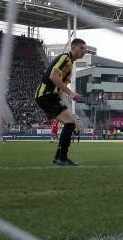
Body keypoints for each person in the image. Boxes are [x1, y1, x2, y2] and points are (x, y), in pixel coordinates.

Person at [35, 38, 86, 166]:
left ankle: (60, 157)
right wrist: (71, 93)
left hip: (52, 96)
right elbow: (53, 76)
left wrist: (66, 101)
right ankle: (61, 157)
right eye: (81, 48)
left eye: (85, 49)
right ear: (73, 48)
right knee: (70, 123)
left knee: (71, 123)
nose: (84, 51)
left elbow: (59, 88)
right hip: (46, 95)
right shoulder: (65, 58)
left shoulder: (70, 63)